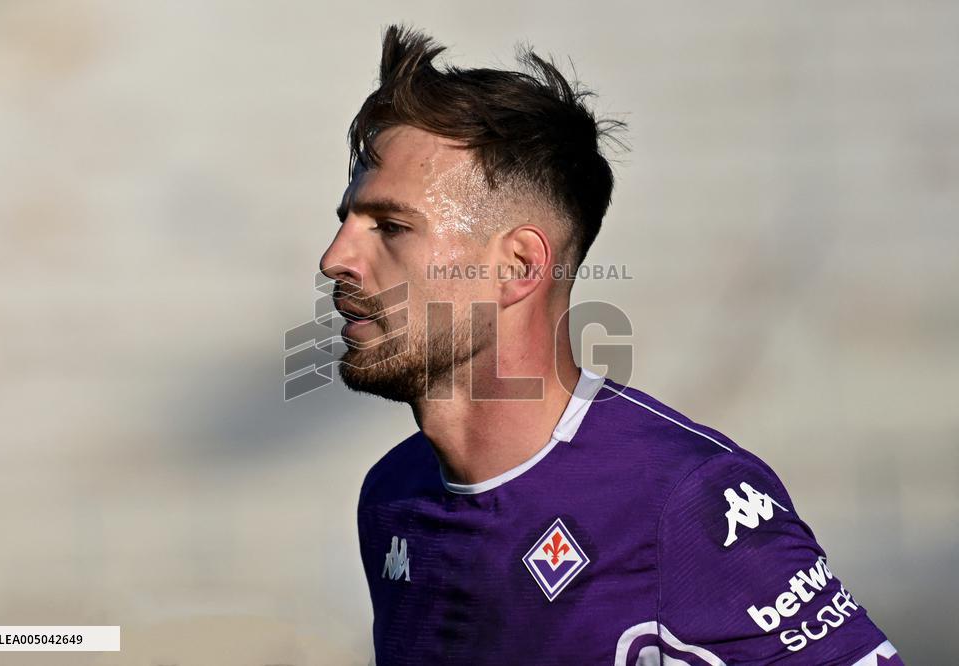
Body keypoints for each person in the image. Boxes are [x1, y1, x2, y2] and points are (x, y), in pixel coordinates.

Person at [318, 23, 903, 666]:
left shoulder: (685, 497)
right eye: (346, 221)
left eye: (390, 226)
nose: (336, 258)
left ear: (518, 267)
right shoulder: (391, 496)